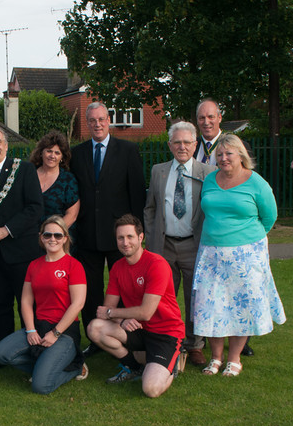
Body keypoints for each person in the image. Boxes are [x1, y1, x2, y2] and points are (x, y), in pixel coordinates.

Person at [192, 134, 286, 377]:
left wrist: (247, 239)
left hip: (246, 256)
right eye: (219, 155)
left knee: (239, 308)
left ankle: (233, 359)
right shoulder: (210, 180)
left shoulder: (257, 183)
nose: (223, 159)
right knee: (211, 306)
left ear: (241, 155)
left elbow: (269, 217)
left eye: (228, 154)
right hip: (211, 254)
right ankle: (215, 359)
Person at [69, 102, 145, 357]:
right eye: (92, 120)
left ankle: (123, 334)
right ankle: (95, 335)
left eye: (101, 119)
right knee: (90, 289)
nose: (97, 124)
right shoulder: (76, 154)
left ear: (108, 120)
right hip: (87, 233)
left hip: (119, 236)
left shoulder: (128, 150)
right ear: (87, 123)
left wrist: (136, 234)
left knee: (123, 287)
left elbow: (136, 194)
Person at [86, 215, 186, 398]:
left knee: (151, 389)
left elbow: (145, 312)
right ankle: (133, 367)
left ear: (141, 237)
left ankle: (174, 362)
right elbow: (107, 308)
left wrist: (113, 313)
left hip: (165, 333)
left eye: (130, 237)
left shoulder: (156, 264)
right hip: (138, 329)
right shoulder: (117, 268)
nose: (125, 242)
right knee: (95, 328)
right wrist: (121, 319)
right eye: (120, 238)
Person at [144, 121, 216, 368]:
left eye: (187, 142)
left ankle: (195, 345)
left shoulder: (207, 172)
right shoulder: (158, 171)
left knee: (195, 297)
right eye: (177, 142)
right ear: (169, 145)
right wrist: (153, 243)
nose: (182, 147)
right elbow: (150, 209)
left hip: (194, 246)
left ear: (195, 144)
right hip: (163, 247)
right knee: (164, 298)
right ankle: (169, 341)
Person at [0, 126, 43, 368]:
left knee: (28, 306)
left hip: (21, 251)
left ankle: (33, 353)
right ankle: (3, 356)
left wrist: (6, 230)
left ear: (6, 145)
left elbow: (35, 208)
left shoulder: (24, 169)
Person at [0, 215, 88, 394]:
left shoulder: (73, 265)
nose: (52, 239)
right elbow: (26, 301)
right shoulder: (34, 265)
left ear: (65, 238)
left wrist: (55, 333)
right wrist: (30, 330)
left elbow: (78, 304)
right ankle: (44, 367)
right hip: (39, 326)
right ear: (41, 237)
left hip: (64, 332)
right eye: (48, 235)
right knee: (1, 354)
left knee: (41, 386)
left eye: (58, 235)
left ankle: (76, 367)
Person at [30, 130, 79, 237]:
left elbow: (72, 214)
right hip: (30, 238)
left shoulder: (68, 180)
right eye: (49, 151)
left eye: (57, 153)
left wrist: (51, 234)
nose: (52, 156)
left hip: (56, 239)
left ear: (62, 158)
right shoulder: (28, 175)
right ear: (41, 153)